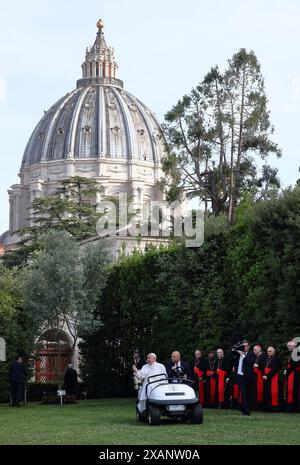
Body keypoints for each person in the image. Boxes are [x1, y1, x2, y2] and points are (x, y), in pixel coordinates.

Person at [232, 340, 256, 415]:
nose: (245, 347)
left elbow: (249, 362)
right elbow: (231, 351)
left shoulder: (251, 354)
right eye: (243, 346)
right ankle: (245, 409)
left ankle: (245, 408)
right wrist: (237, 347)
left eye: (246, 346)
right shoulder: (238, 353)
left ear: (249, 347)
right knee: (243, 392)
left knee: (247, 393)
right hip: (239, 375)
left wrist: (243, 355)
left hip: (247, 376)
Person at [262, 346, 281, 412]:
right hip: (265, 378)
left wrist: (267, 376)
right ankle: (267, 408)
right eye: (267, 351)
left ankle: (274, 408)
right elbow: (263, 367)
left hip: (272, 377)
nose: (268, 353)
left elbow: (274, 369)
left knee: (273, 393)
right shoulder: (266, 358)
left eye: (270, 351)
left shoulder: (276, 359)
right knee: (267, 393)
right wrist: (263, 374)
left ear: (274, 352)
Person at [284, 340, 300, 412]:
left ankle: (294, 408)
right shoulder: (292, 352)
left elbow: (294, 364)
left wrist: (287, 371)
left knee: (294, 390)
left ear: (294, 346)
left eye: (289, 346)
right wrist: (286, 370)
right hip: (292, 373)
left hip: (295, 373)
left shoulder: (296, 352)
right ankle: (291, 407)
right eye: (288, 346)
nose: (288, 347)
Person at [252, 344, 266, 411]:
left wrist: (256, 365)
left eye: (255, 349)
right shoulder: (255, 356)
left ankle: (260, 406)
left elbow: (263, 365)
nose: (253, 351)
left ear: (259, 349)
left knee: (260, 390)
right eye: (253, 349)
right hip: (255, 375)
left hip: (260, 375)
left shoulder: (263, 356)